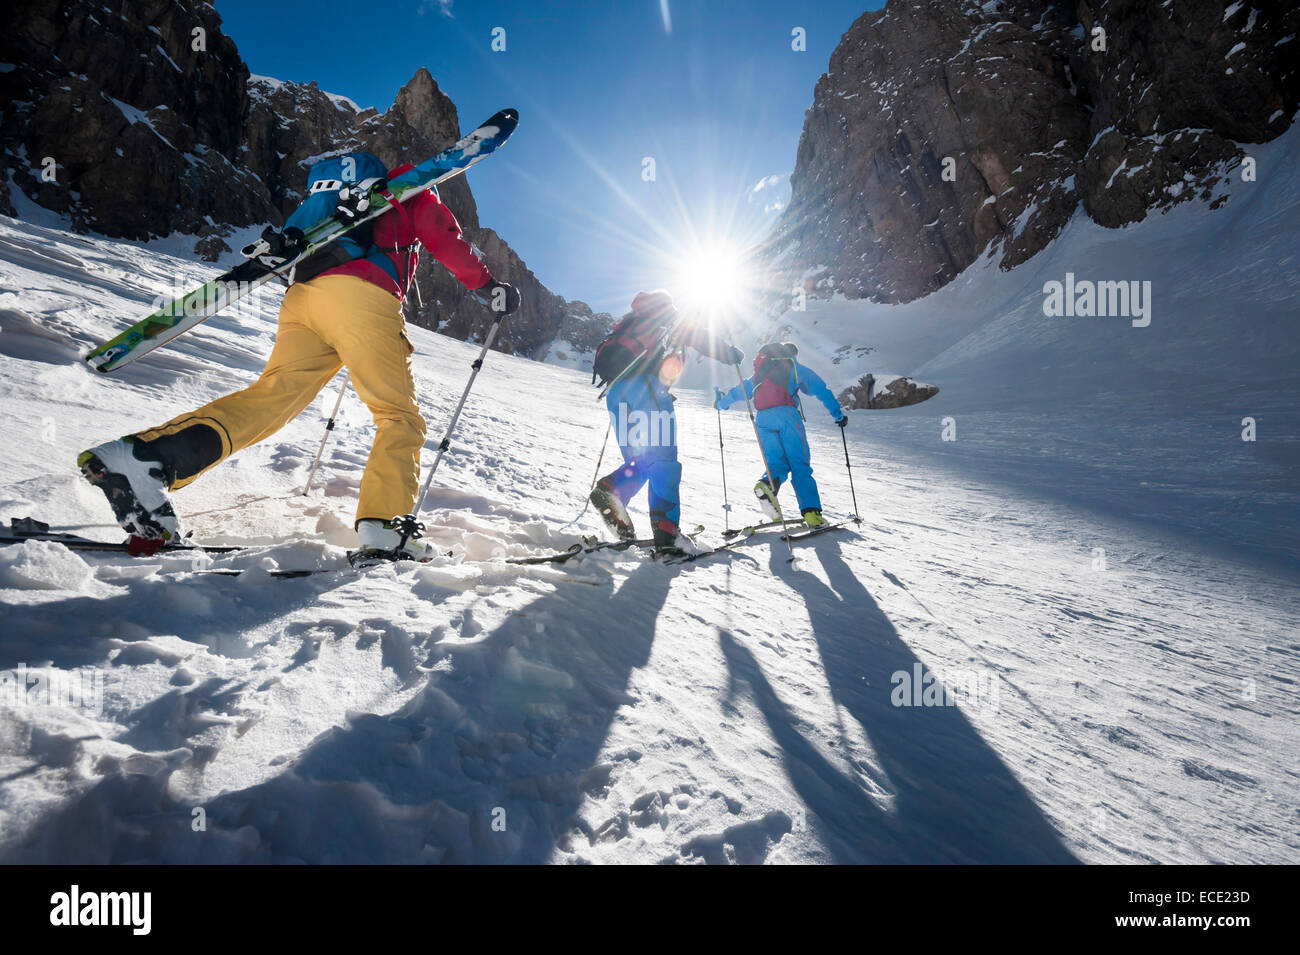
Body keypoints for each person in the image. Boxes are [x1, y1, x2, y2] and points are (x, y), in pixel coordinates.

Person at [77, 151, 519, 562]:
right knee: (398, 416)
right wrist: (487, 287)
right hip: (362, 300)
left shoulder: (336, 203)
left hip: (302, 298)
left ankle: (144, 459)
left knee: (271, 399)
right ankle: (385, 528)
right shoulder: (411, 191)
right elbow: (446, 240)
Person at [589, 289, 742, 555]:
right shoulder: (670, 319)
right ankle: (667, 533)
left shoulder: (630, 321)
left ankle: (611, 492)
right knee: (663, 461)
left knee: (643, 460)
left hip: (616, 394)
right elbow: (701, 337)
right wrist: (730, 354)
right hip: (647, 389)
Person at [714, 341, 847, 527]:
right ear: (793, 353)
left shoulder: (761, 371)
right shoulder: (794, 367)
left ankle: (766, 485)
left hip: (763, 420)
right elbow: (821, 390)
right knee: (799, 464)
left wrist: (722, 403)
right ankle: (812, 514)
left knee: (776, 463)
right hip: (787, 417)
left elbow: (741, 390)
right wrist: (838, 415)